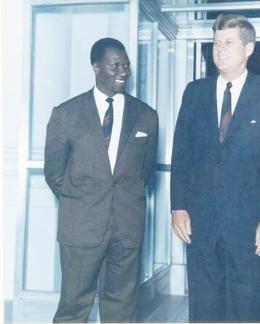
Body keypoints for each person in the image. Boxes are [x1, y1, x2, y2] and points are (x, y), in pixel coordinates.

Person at [171, 14, 260, 323]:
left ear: (248, 48)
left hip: (249, 226)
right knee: (204, 309)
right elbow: (181, 155)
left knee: (246, 310)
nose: (219, 50)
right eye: (215, 43)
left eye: (228, 42)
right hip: (201, 224)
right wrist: (178, 207)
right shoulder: (194, 92)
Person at [44, 37, 158, 323]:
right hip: (81, 226)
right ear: (96, 67)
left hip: (127, 226)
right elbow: (54, 173)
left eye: (126, 64)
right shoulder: (66, 114)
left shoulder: (146, 116)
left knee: (122, 305)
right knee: (74, 305)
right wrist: (82, 200)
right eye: (115, 65)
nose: (123, 71)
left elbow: (145, 172)